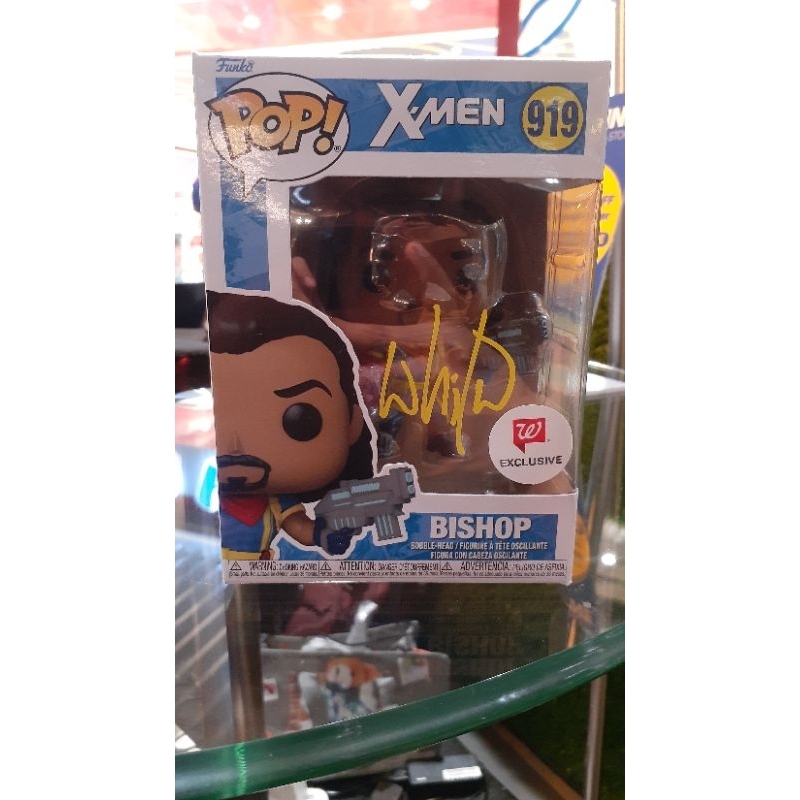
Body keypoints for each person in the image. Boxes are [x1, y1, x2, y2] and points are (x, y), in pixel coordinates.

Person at [206, 291, 375, 559]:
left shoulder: (277, 500)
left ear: (352, 422)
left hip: (256, 569)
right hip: (203, 559)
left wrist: (325, 535)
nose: (236, 446)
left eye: (299, 419)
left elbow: (300, 528)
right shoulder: (206, 484)